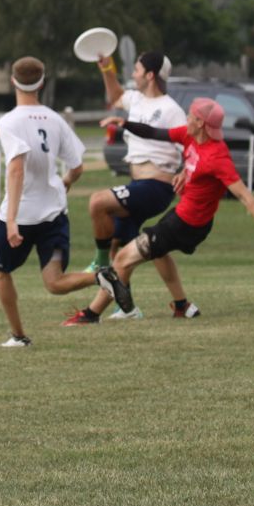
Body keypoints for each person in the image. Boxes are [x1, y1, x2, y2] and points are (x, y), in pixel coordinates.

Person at [66, 97, 254, 325]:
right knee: (159, 253)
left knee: (122, 259)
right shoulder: (189, 136)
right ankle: (182, 306)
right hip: (181, 217)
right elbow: (154, 133)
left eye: (191, 115)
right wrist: (125, 124)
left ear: (200, 123)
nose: (186, 118)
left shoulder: (217, 156)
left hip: (186, 225)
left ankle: (92, 314)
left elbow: (245, 195)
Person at [0, 56, 100, 348]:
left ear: (13, 81)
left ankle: (18, 336)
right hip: (53, 213)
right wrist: (66, 182)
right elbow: (77, 167)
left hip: (22, 215)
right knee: (54, 281)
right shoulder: (55, 119)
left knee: (1, 271)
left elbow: (16, 169)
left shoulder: (9, 121)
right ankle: (101, 277)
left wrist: (11, 220)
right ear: (42, 83)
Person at [80, 50, 194, 320]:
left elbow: (190, 146)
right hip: (138, 184)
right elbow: (115, 96)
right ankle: (127, 307)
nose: (133, 74)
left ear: (150, 75)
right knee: (126, 244)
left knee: (98, 202)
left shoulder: (171, 109)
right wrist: (106, 68)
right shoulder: (136, 99)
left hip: (156, 187)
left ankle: (99, 264)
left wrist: (185, 173)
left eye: (137, 70)